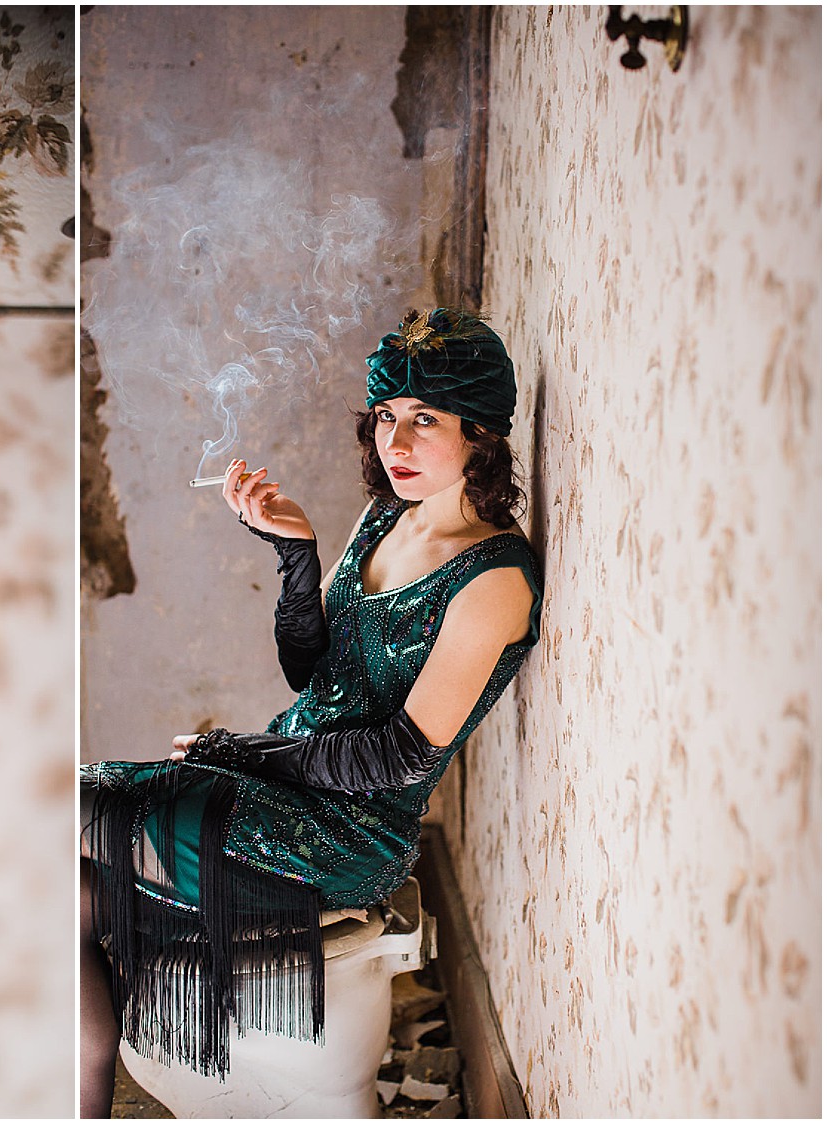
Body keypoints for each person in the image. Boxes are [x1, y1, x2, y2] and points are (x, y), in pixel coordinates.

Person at [79, 308, 543, 1115]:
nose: (395, 444)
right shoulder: (385, 520)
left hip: (343, 834)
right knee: (66, 888)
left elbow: (399, 755)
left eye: (424, 421)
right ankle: (85, 1092)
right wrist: (296, 555)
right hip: (277, 786)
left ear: (481, 432)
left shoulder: (495, 579)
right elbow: (309, 668)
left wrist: (242, 754)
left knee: (72, 802)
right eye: (386, 419)